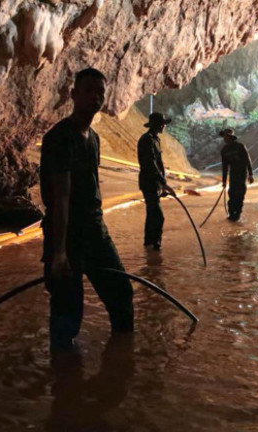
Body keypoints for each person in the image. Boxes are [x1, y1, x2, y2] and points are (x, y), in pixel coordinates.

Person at [40, 68, 134, 351]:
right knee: (68, 314)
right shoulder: (60, 137)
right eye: (89, 90)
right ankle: (65, 381)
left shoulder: (93, 138)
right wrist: (58, 253)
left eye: (100, 92)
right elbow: (61, 196)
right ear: (73, 95)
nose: (96, 97)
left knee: (121, 293)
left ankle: (122, 364)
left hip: (95, 229)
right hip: (67, 234)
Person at [137, 112, 176, 251]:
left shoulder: (155, 139)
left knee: (152, 212)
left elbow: (158, 164)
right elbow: (150, 164)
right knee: (158, 216)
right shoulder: (147, 140)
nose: (164, 126)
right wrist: (164, 183)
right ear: (157, 125)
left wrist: (162, 184)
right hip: (149, 182)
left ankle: (148, 243)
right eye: (162, 124)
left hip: (154, 182)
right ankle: (155, 245)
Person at [220, 128, 254, 221]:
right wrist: (223, 181)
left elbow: (247, 160)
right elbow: (225, 167)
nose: (224, 138)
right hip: (233, 174)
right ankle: (231, 214)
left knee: (240, 195)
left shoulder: (240, 146)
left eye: (226, 136)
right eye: (224, 136)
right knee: (231, 194)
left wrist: (250, 174)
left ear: (230, 137)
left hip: (242, 174)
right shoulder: (224, 150)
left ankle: (237, 214)